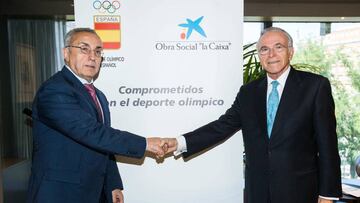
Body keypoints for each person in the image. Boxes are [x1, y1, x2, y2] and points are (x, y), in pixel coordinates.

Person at [163, 27, 342, 203]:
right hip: (257, 193)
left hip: (300, 192)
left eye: (278, 47)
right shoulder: (248, 92)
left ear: (291, 52)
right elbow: (221, 127)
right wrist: (179, 142)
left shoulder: (315, 87)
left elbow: (328, 145)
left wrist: (327, 195)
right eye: (264, 49)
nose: (271, 54)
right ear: (259, 56)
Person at [26, 28, 165, 203]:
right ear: (66, 53)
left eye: (98, 51)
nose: (92, 56)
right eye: (84, 49)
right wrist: (145, 144)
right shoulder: (54, 90)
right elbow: (92, 133)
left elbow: (103, 144)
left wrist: (112, 184)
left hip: (94, 192)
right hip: (60, 193)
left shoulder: (99, 96)